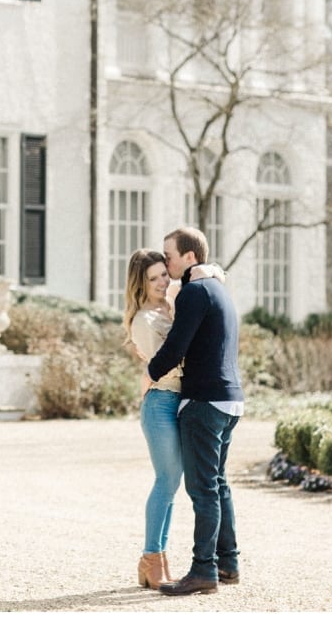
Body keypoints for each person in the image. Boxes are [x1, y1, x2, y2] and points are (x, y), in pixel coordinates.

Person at [146, 226, 243, 596]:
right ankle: (228, 562)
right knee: (217, 485)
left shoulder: (195, 292)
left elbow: (175, 347)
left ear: (189, 257)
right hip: (231, 399)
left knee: (202, 489)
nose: (165, 260)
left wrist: (149, 372)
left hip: (204, 401)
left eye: (168, 254)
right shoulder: (218, 288)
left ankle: (204, 570)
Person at [122, 247, 226, 590]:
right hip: (160, 404)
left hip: (180, 401)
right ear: (140, 284)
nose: (162, 281)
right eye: (153, 278)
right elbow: (168, 361)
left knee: (174, 482)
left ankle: (157, 558)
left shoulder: (171, 306)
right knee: (166, 480)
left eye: (163, 274)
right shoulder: (144, 320)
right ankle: (151, 558)